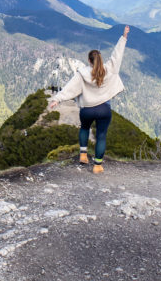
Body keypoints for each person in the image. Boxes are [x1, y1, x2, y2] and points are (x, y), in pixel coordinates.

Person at [48, 25, 130, 173]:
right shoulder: (110, 69)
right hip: (104, 109)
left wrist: (57, 99)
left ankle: (83, 155)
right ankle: (97, 165)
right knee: (101, 136)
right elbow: (117, 55)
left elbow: (69, 88)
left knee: (84, 128)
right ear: (100, 59)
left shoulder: (82, 74)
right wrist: (124, 37)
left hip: (87, 109)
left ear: (89, 60)